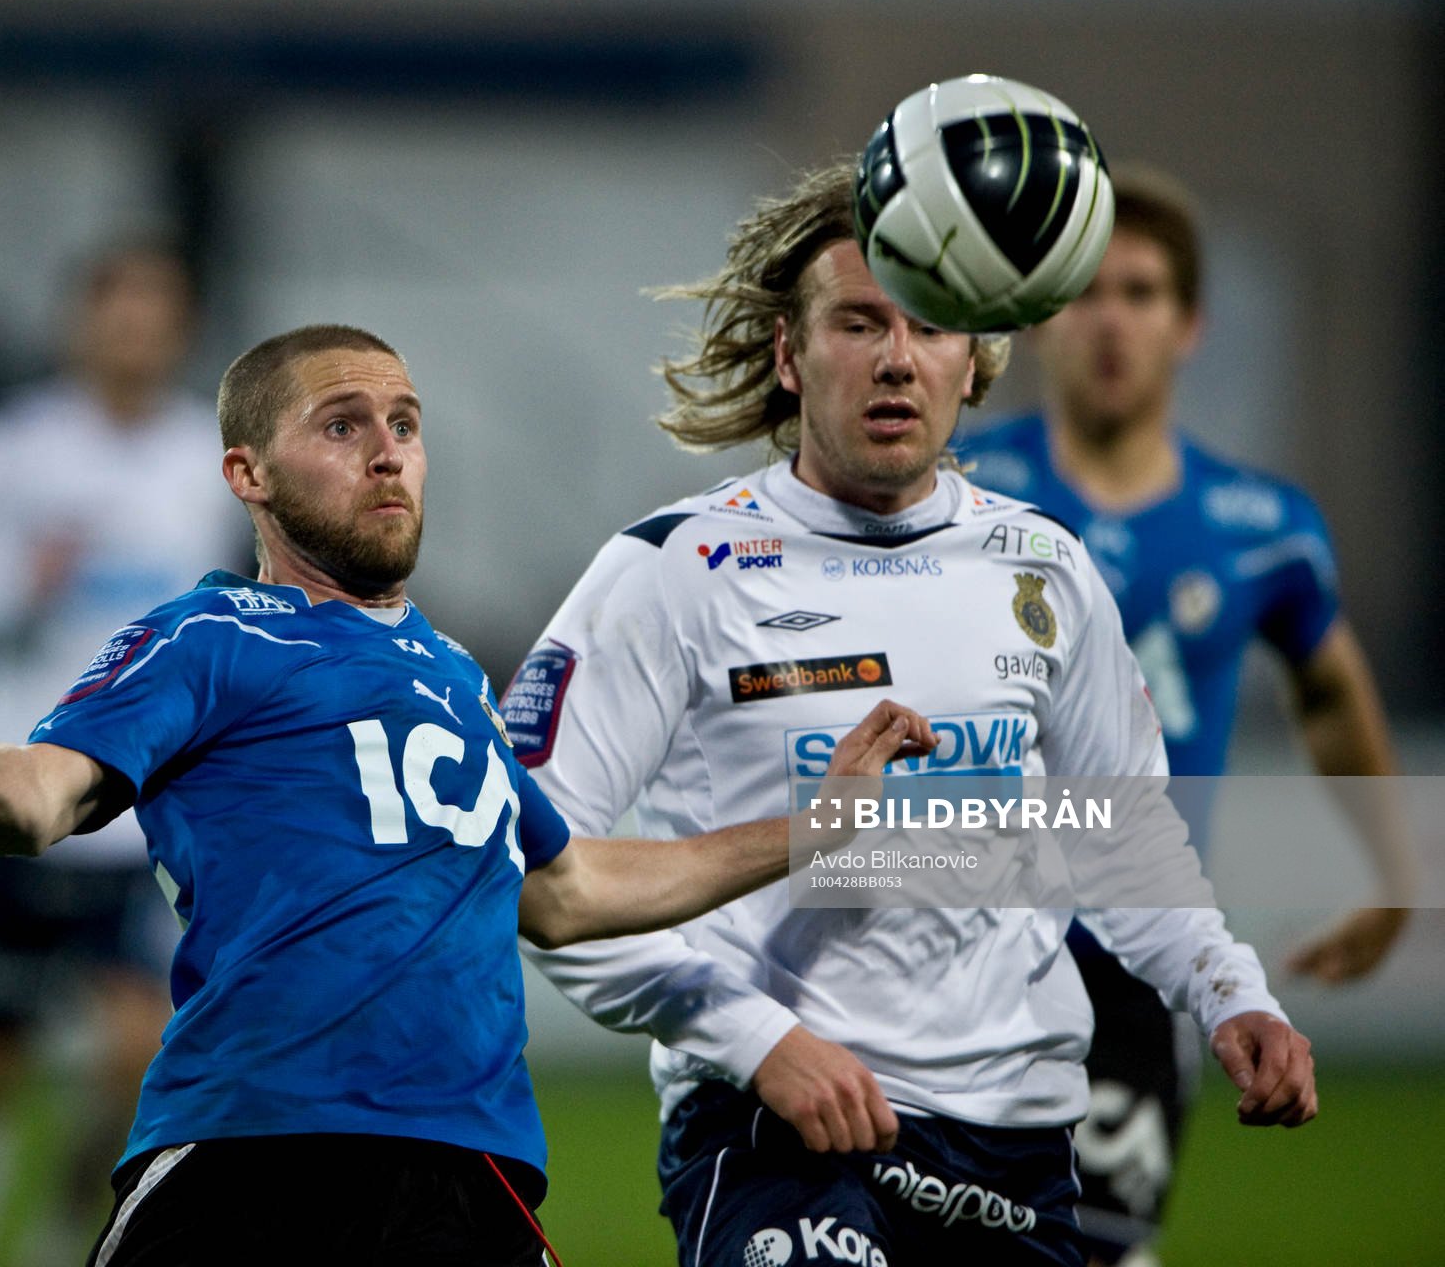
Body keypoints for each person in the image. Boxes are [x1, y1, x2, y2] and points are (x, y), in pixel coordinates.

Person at [0, 322, 933, 1266]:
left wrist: (812, 831)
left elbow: (564, 888)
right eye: (342, 425)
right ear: (246, 472)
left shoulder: (459, 676)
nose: (388, 450)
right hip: (255, 1157)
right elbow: (44, 794)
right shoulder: (208, 637)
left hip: (468, 1174)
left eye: (406, 422)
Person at [505, 161, 1317, 1267]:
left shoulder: (1045, 567)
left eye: (930, 325)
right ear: (791, 356)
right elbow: (525, 859)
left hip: (1023, 1140)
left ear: (974, 360)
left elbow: (1124, 845)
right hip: (781, 1127)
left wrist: (1232, 994)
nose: (896, 357)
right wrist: (757, 1040)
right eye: (857, 321)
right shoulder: (674, 569)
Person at [954, 166, 1412, 1265]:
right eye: (1089, 291)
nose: (1113, 319)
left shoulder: (1263, 528)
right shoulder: (962, 490)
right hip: (959, 943)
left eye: (1145, 292)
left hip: (1135, 964)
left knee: (1099, 1249)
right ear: (1042, 319)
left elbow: (1331, 689)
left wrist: (1400, 875)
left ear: (1191, 323)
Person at [0, 237, 251, 1266]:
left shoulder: (203, 464)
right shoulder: (3, 453)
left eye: (156, 310)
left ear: (179, 327)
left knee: (141, 1049)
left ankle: (54, 1238)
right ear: (80, 320)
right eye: (117, 307)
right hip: (11, 799)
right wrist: (11, 588)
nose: (136, 330)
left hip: (130, 808)